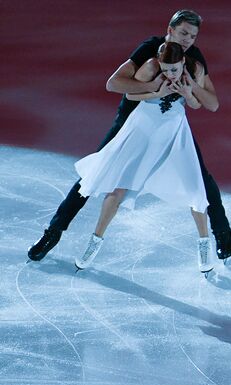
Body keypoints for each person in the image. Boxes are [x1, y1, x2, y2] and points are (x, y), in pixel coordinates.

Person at [27, 9, 231, 262]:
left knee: (200, 177)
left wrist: (190, 89)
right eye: (183, 33)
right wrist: (153, 89)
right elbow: (114, 83)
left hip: (168, 125)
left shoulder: (194, 59)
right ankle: (53, 232)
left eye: (192, 35)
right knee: (97, 173)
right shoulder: (150, 50)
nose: (188, 40)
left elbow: (211, 103)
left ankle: (221, 232)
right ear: (170, 31)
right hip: (132, 120)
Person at [73, 42, 213, 273]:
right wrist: (156, 91)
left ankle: (204, 244)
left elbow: (197, 105)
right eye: (166, 69)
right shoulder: (150, 66)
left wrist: (188, 93)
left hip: (174, 130)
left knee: (195, 187)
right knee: (119, 186)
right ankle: (95, 241)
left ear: (182, 62)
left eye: (174, 69)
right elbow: (130, 93)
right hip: (142, 127)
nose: (170, 73)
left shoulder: (194, 69)